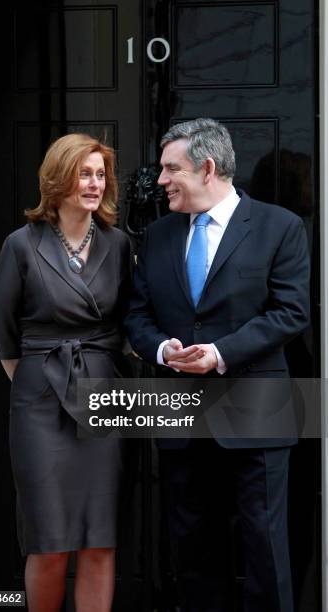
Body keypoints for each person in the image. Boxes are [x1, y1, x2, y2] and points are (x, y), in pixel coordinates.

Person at [125, 118, 310, 612]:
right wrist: (163, 350)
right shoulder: (159, 235)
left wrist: (220, 353)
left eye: (171, 168)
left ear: (207, 168)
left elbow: (290, 312)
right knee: (193, 551)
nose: (160, 180)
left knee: (265, 548)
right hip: (182, 416)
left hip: (258, 412)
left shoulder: (280, 227)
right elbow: (137, 315)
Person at [0, 133, 131, 612]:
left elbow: (130, 323)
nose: (94, 183)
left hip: (104, 398)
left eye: (99, 174)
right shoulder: (21, 245)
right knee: (48, 541)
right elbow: (4, 337)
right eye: (83, 173)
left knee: (99, 538)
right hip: (40, 403)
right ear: (58, 178)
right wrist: (39, 385)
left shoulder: (118, 243)